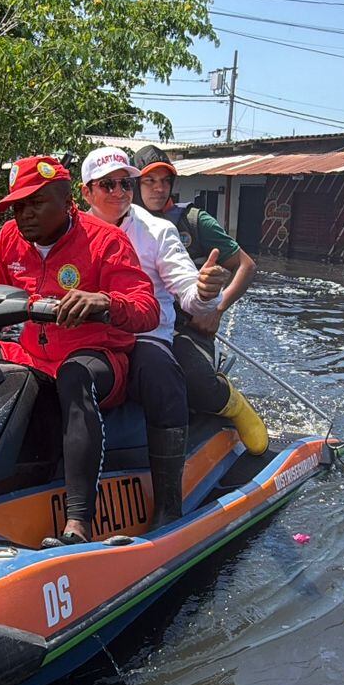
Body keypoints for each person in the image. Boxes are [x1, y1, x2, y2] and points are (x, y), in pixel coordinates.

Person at [0, 156, 159, 545]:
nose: (24, 215)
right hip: (32, 356)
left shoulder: (106, 241)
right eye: (18, 206)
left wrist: (104, 302)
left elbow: (146, 310)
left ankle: (79, 519)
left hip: (98, 357)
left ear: (67, 202)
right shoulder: (10, 239)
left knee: (74, 375)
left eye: (35, 204)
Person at [78, 146, 229, 525]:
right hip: (87, 340)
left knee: (160, 372)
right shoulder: (71, 234)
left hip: (143, 336)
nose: (119, 192)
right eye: (107, 185)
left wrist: (208, 292)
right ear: (86, 192)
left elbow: (189, 294)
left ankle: (168, 505)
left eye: (125, 183)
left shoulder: (157, 231)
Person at [132, 144, 268, 454]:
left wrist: (216, 309)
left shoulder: (193, 221)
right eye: (149, 181)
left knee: (190, 377)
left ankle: (231, 404)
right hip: (138, 320)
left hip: (187, 324)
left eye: (165, 181)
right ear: (135, 185)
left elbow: (246, 265)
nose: (158, 189)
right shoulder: (121, 222)